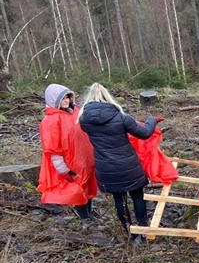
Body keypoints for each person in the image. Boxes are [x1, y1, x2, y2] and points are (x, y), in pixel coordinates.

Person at [78, 83, 163, 242]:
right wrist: (152, 120)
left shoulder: (84, 120)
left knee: (119, 199)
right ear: (107, 97)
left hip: (105, 167)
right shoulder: (121, 117)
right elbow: (144, 134)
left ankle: (129, 232)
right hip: (128, 165)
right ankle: (143, 229)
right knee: (137, 196)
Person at [37, 84, 98, 220]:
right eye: (62, 98)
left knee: (87, 186)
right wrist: (62, 168)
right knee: (77, 189)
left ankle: (90, 214)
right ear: (54, 100)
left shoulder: (76, 112)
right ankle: (85, 220)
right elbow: (52, 147)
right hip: (71, 162)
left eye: (67, 97)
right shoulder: (51, 120)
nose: (66, 101)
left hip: (86, 159)